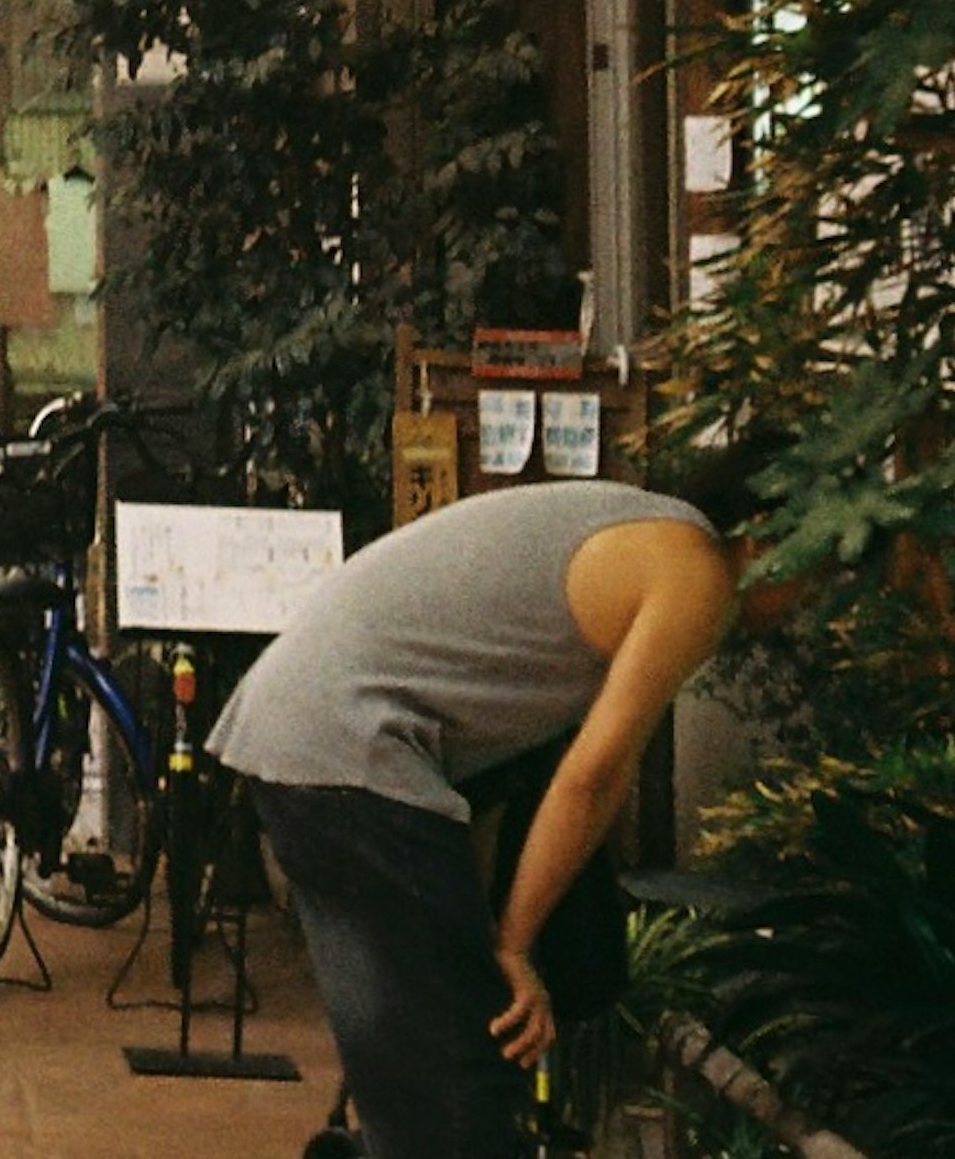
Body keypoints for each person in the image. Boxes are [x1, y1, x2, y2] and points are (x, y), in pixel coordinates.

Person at [207, 477, 743, 1159]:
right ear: (766, 538)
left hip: (310, 733)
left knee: (424, 1073)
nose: (819, 599)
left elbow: (528, 767)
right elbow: (593, 776)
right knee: (459, 1096)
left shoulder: (638, 528)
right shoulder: (697, 569)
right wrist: (512, 945)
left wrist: (494, 930)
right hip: (351, 746)